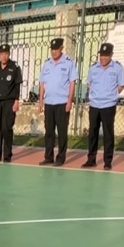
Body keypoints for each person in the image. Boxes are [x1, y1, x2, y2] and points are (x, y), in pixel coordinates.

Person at [82, 42, 124, 170]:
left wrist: (111, 94)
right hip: (94, 104)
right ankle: (91, 159)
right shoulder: (93, 68)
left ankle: (107, 161)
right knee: (93, 133)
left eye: (106, 55)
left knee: (108, 133)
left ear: (111, 55)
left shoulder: (117, 68)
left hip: (108, 105)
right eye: (101, 55)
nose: (103, 58)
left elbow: (121, 85)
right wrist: (95, 93)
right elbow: (89, 83)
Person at [37, 37, 78, 166]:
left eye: (56, 49)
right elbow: (42, 83)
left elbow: (72, 83)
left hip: (62, 102)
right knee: (49, 131)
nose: (54, 52)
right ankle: (48, 156)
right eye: (52, 50)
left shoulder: (68, 63)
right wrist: (40, 100)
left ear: (62, 49)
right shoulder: (47, 63)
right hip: (49, 102)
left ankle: (60, 157)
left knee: (61, 132)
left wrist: (69, 101)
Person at [0, 44, 22, 162]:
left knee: (6, 127)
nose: (4, 56)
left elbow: (17, 85)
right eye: (2, 54)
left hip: (9, 101)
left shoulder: (14, 67)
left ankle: (7, 155)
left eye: (6, 54)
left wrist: (16, 101)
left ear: (9, 54)